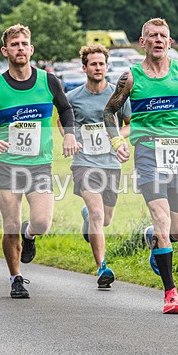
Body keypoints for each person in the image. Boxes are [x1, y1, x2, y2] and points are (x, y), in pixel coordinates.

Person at [103, 18, 178, 314]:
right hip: (147, 154)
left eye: (162, 36)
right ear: (142, 42)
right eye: (151, 35)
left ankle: (152, 238)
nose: (157, 39)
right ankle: (171, 293)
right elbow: (109, 112)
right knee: (162, 220)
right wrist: (118, 142)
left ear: (170, 42)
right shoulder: (131, 77)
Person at [0, 24, 77, 299]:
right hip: (8, 165)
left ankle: (29, 235)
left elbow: (66, 110)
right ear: (5, 51)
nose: (20, 48)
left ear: (31, 49)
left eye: (24, 43)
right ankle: (16, 277)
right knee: (10, 224)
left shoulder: (48, 81)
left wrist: (69, 136)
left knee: (42, 222)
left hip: (39, 164)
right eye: (14, 44)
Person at [58, 44, 131, 288]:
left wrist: (120, 140)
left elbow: (130, 123)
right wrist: (69, 137)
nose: (98, 67)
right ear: (84, 68)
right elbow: (62, 120)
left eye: (102, 64)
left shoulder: (117, 95)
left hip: (110, 162)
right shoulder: (73, 97)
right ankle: (102, 268)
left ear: (107, 67)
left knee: (105, 218)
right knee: (99, 214)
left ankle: (87, 216)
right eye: (93, 64)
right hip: (84, 162)